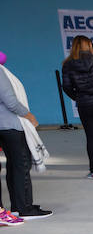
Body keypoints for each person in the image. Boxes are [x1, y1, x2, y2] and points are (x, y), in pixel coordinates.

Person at [0, 54, 50, 218]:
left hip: (3, 127)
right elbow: (10, 100)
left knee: (14, 166)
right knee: (21, 165)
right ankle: (24, 208)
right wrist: (28, 115)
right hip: (11, 125)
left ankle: (18, 205)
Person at [62, 35, 93, 179]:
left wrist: (78, 97)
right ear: (89, 46)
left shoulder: (68, 64)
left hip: (85, 104)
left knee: (92, 138)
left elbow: (66, 87)